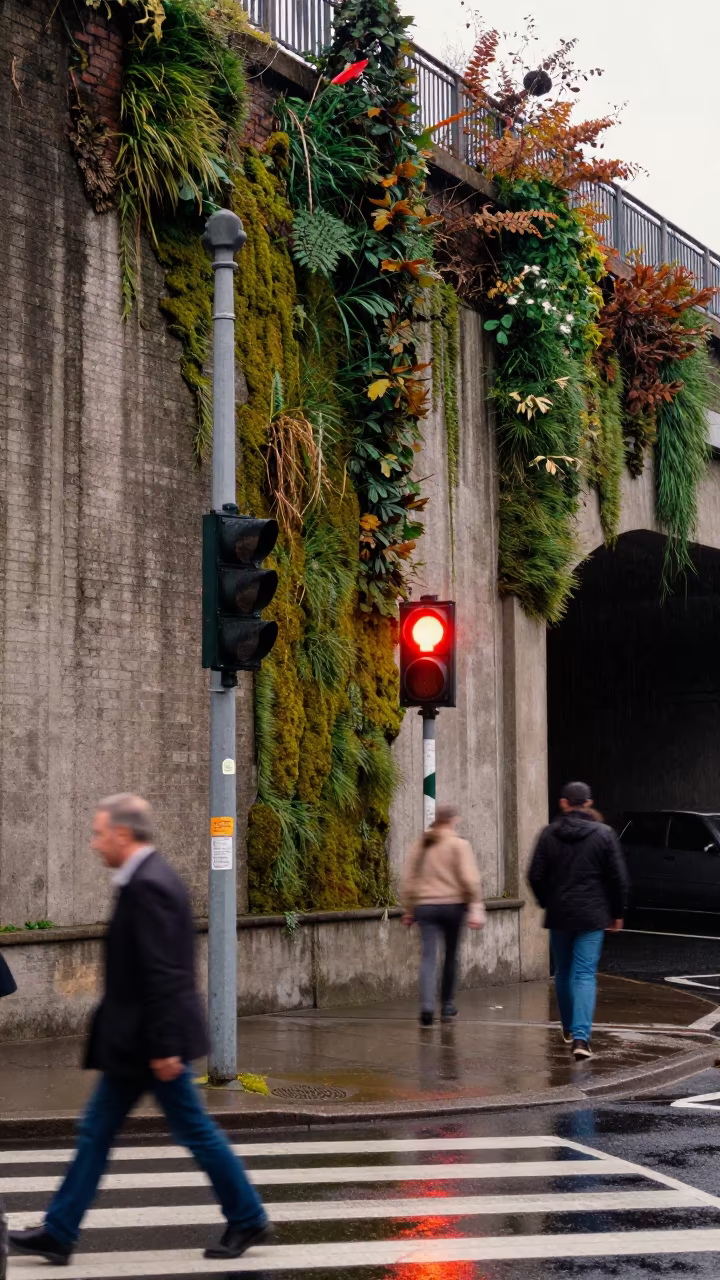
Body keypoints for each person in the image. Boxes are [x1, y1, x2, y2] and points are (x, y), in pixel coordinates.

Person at [9, 793, 273, 1266]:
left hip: (153, 1045)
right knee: (97, 1132)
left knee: (194, 1131)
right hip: (136, 1043)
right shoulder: (142, 881)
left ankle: (248, 1215)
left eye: (99, 833)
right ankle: (60, 1230)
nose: (94, 843)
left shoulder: (150, 884)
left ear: (123, 834)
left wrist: (167, 1046)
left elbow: (167, 971)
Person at [528, 780, 629, 1062]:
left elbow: (535, 875)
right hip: (592, 914)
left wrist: (546, 901)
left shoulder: (548, 834)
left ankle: (569, 1028)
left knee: (562, 972)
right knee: (585, 974)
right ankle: (582, 1039)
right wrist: (617, 912)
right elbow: (617, 878)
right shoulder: (604, 834)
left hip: (560, 913)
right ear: (587, 803)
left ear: (563, 803)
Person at [401, 804, 486, 1027]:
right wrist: (476, 907)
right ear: (453, 820)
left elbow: (410, 879)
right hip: (453, 906)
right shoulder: (459, 845)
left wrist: (410, 909)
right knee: (451, 955)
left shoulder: (422, 843)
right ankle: (447, 1006)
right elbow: (470, 880)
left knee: (428, 957)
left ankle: (427, 1008)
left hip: (425, 907)